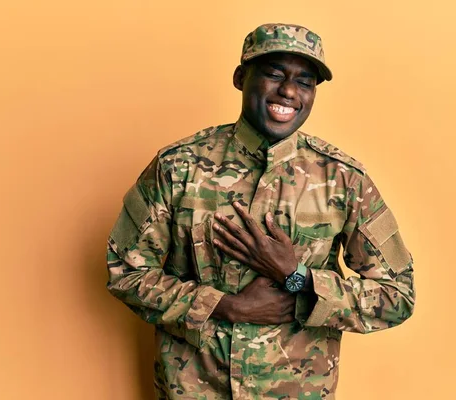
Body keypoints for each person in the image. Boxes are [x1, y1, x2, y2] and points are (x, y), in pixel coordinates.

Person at [106, 23, 415, 399]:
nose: (288, 90)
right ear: (240, 77)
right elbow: (125, 271)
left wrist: (298, 278)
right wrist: (224, 306)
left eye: (305, 81)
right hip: (193, 389)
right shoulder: (178, 166)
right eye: (273, 74)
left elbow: (398, 296)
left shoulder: (344, 180)